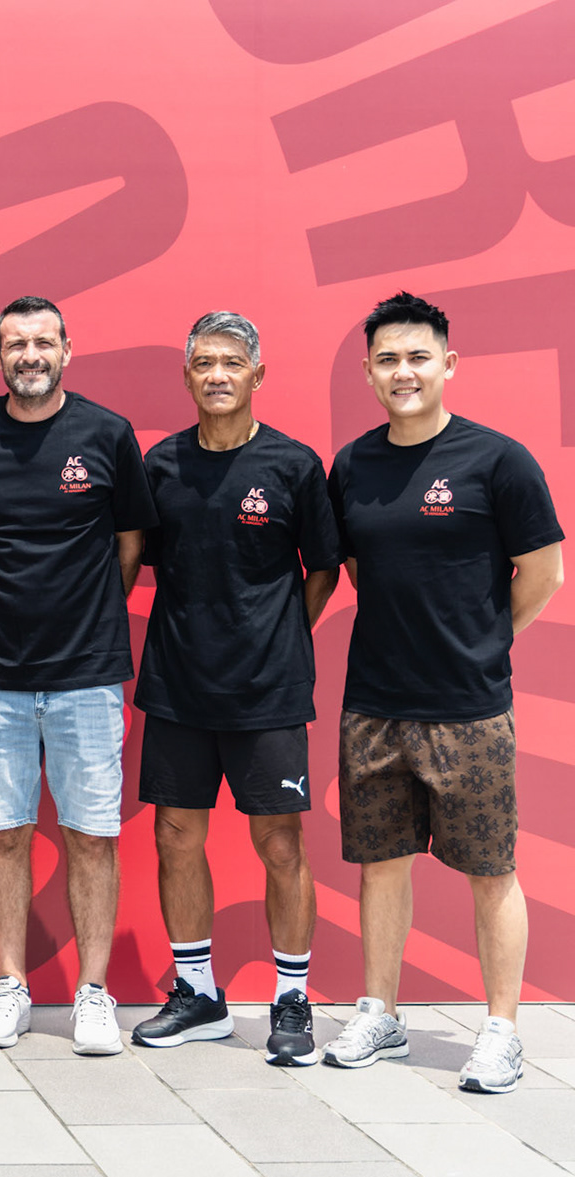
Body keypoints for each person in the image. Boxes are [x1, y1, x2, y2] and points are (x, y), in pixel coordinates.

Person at [321, 292, 563, 1092]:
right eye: (388, 359)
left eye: (418, 356)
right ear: (368, 371)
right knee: (381, 864)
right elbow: (359, 568)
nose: (403, 372)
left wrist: (485, 644)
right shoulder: (353, 465)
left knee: (491, 869)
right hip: (376, 703)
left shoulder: (499, 461)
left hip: (470, 709)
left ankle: (500, 1031)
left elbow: (545, 574)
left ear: (448, 364)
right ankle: (380, 1014)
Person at [0, 296, 157, 1056]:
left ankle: (93, 995)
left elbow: (129, 544)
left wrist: (85, 617)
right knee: (4, 835)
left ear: (67, 350)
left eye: (44, 341)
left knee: (92, 835)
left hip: (89, 675)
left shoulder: (107, 434)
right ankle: (11, 986)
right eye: (16, 343)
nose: (31, 354)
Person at [127, 314, 341, 1066]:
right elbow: (140, 561)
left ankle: (291, 1000)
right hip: (179, 685)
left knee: (280, 842)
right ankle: (199, 994)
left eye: (232, 362)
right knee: (175, 837)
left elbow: (322, 568)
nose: (217, 374)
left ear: (257, 374)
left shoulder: (294, 465)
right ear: (187, 377)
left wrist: (279, 635)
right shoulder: (160, 467)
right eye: (204, 363)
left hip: (268, 692)